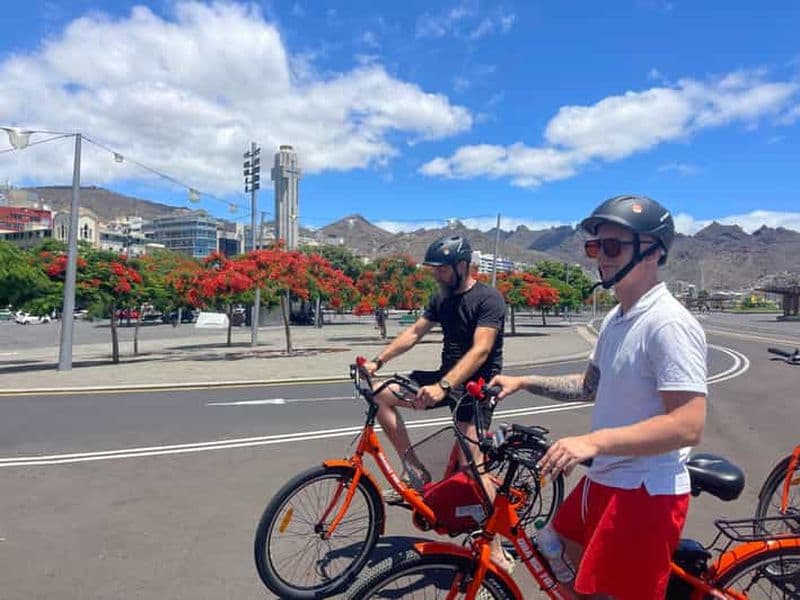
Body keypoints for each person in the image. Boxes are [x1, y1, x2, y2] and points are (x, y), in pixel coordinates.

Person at [490, 195, 707, 599]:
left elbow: (688, 424)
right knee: (556, 551)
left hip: (644, 493)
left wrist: (591, 442)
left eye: (612, 246)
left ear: (653, 251)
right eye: (595, 247)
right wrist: (522, 382)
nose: (600, 257)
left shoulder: (668, 324)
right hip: (605, 478)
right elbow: (591, 386)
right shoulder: (617, 317)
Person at [362, 234, 510, 567]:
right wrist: (378, 361)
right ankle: (415, 472)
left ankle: (496, 545)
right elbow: (414, 333)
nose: (436, 275)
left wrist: (444, 386)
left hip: (476, 388)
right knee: (381, 393)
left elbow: (481, 350)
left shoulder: (489, 299)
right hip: (445, 377)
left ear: (462, 266)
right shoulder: (441, 297)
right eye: (434, 269)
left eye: (441, 269)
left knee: (473, 469)